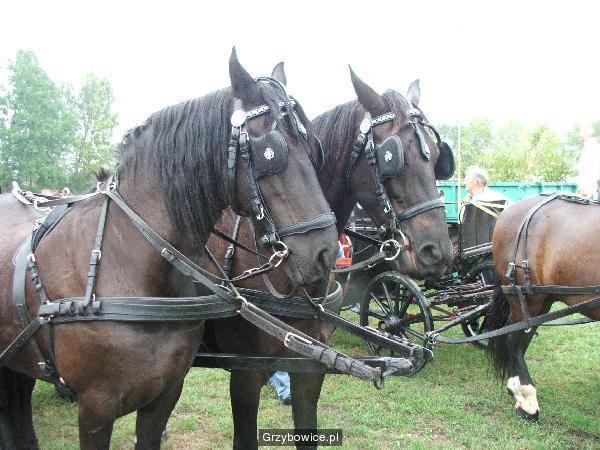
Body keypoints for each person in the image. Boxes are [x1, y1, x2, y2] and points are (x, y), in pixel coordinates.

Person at [575, 125, 600, 199]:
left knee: (586, 194)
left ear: (587, 135)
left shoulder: (592, 145)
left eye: (582, 136)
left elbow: (591, 163)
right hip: (588, 176)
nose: (581, 137)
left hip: (590, 176)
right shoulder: (588, 145)